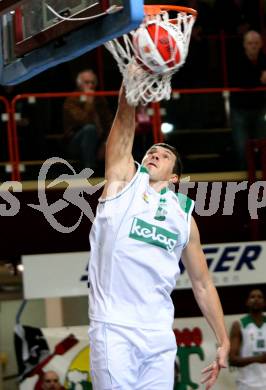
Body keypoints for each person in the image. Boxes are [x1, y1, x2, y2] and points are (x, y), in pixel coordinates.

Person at [88, 84, 230, 390]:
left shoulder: (184, 218)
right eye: (152, 150)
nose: (155, 154)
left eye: (164, 155)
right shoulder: (123, 182)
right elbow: (124, 131)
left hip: (159, 336)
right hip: (115, 329)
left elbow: (202, 283)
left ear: (174, 177)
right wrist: (130, 87)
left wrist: (223, 339)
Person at [229, 30, 266, 169]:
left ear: (261, 44)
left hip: (260, 109)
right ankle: (244, 179)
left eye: (256, 43)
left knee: (262, 144)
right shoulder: (236, 60)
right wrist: (259, 78)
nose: (253, 46)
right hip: (240, 109)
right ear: (245, 45)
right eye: (250, 43)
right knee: (241, 147)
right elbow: (240, 81)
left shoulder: (264, 59)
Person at [63, 69, 113, 172]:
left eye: (92, 82)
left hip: (99, 140)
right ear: (79, 84)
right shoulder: (71, 100)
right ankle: (89, 169)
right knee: (90, 129)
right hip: (75, 143)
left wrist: (105, 143)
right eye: (86, 82)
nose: (90, 85)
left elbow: (109, 122)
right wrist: (89, 103)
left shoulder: (100, 99)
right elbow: (83, 121)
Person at [229, 288, 266, 390]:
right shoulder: (239, 325)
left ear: (264, 302)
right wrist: (258, 359)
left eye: (259, 297)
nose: (256, 299)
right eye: (252, 297)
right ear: (247, 302)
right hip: (247, 384)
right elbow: (232, 360)